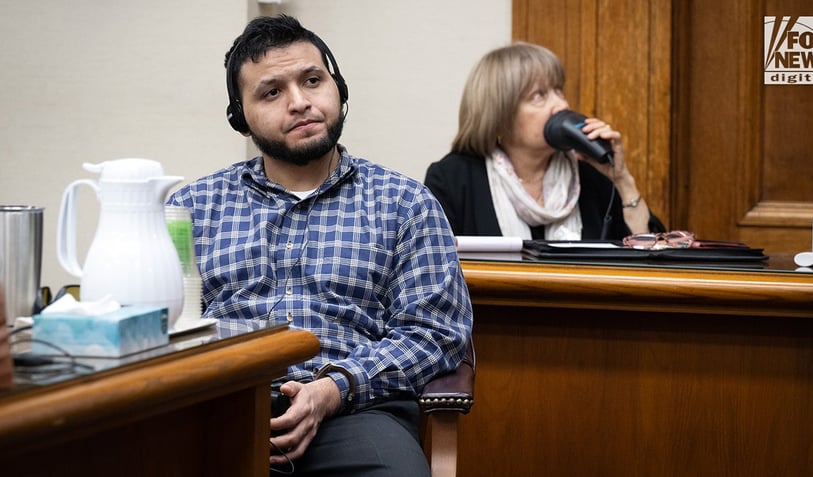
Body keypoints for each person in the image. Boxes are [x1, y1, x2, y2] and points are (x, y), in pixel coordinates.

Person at [167, 14, 472, 476]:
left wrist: (334, 389)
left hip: (356, 414)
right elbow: (161, 326)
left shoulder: (405, 203)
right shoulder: (192, 207)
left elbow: (435, 333)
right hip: (219, 410)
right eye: (271, 92)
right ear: (240, 119)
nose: (300, 102)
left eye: (312, 81)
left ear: (339, 89)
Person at [425, 42, 665, 241]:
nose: (562, 105)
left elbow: (650, 256)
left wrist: (622, 179)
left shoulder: (590, 180)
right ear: (499, 115)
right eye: (538, 95)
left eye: (558, 90)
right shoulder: (453, 180)